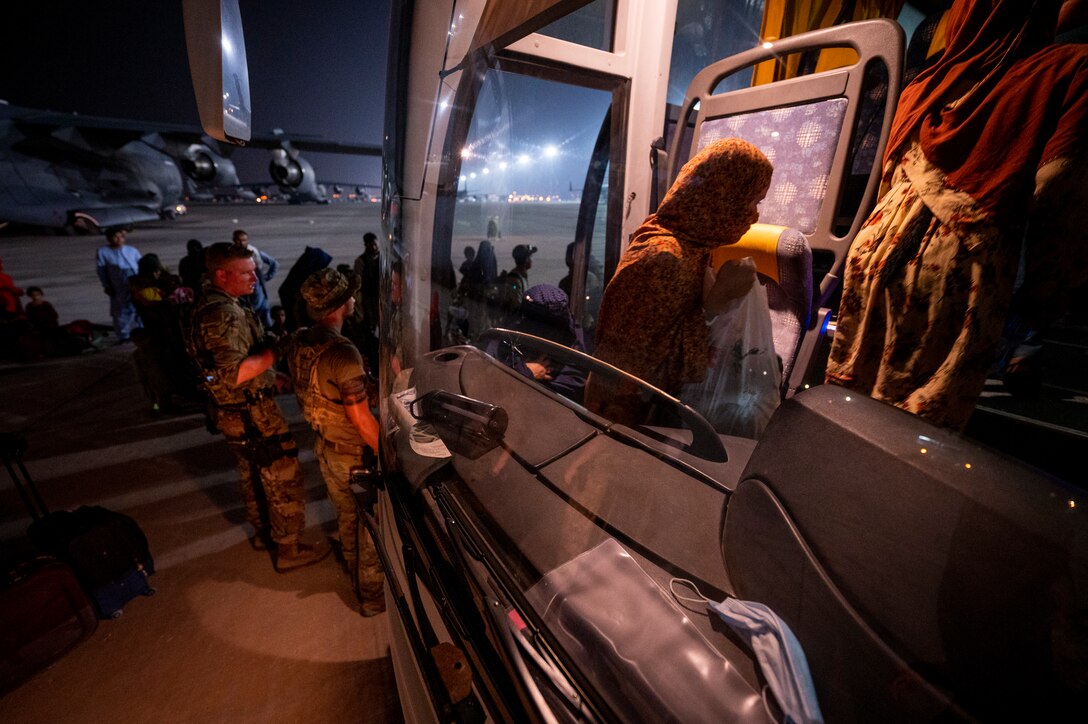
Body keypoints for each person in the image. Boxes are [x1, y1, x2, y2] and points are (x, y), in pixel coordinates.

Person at [825, 0, 1088, 430]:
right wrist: (1044, 295)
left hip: (872, 252)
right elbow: (1061, 192)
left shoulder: (924, 83)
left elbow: (888, 178)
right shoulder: (1069, 70)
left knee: (846, 408)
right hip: (956, 271)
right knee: (913, 432)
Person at [585, 138, 773, 426]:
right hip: (623, 417)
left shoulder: (689, 242)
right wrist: (716, 302)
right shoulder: (664, 259)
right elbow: (637, 371)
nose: (754, 215)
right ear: (723, 196)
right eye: (752, 201)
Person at [185, 242, 328, 571]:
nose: (255, 278)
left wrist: (271, 376)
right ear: (222, 275)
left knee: (253, 473)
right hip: (251, 412)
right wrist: (278, 350)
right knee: (282, 474)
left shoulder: (212, 304)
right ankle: (289, 549)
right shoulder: (223, 314)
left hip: (232, 410)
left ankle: (264, 534)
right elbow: (234, 373)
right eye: (247, 273)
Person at [285, 268, 385, 616]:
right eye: (350, 295)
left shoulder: (302, 340)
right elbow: (360, 418)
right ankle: (372, 596)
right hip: (355, 456)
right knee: (371, 525)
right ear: (341, 304)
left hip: (327, 449)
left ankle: (352, 570)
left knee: (347, 517)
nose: (354, 299)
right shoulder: (342, 353)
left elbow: (327, 393)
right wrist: (390, 455)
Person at [95, 227, 142, 342]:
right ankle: (123, 335)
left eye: (121, 236)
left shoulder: (132, 250)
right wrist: (106, 286)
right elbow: (101, 271)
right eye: (115, 237)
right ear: (109, 238)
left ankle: (142, 331)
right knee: (121, 310)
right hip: (118, 284)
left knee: (139, 308)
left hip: (135, 283)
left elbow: (140, 265)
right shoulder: (103, 252)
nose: (119, 239)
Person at [232, 229, 279, 328]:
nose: (241, 243)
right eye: (239, 240)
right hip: (241, 289)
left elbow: (274, 263)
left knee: (262, 313)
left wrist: (265, 277)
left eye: (244, 240)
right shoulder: (231, 254)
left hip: (256, 287)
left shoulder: (254, 252)